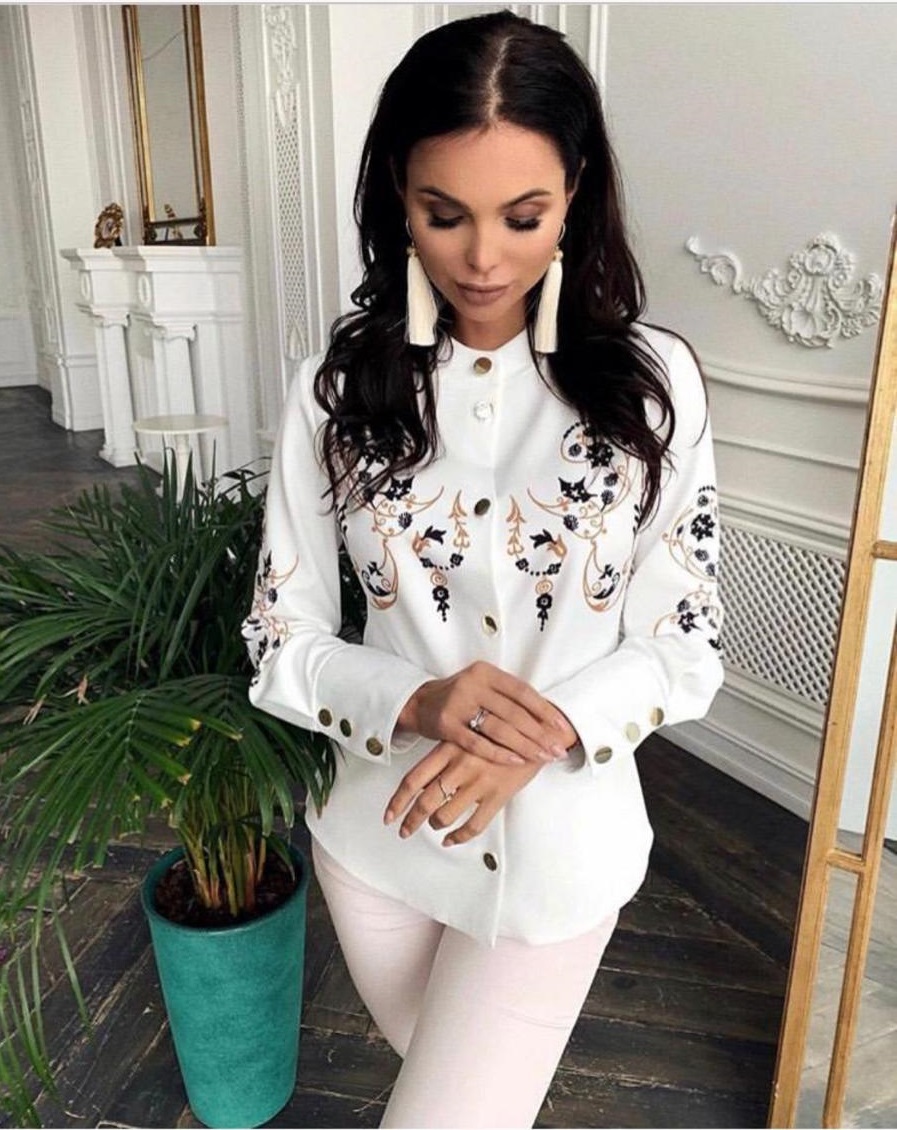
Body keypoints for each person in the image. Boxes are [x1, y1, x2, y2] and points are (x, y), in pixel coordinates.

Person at [243, 11, 724, 1128]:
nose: (482, 259)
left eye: (523, 216)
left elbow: (685, 640)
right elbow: (279, 639)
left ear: (577, 195)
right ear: (396, 198)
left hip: (563, 854)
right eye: (442, 214)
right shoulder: (334, 393)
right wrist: (419, 700)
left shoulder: (655, 387)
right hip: (377, 842)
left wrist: (537, 735)